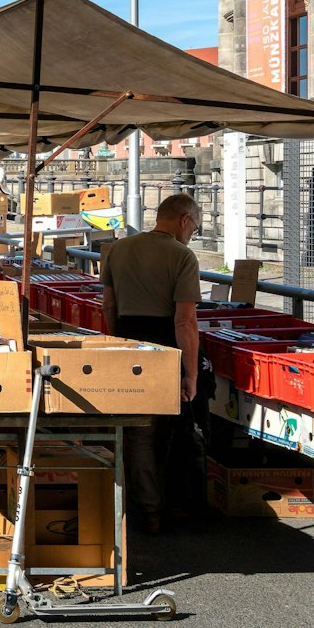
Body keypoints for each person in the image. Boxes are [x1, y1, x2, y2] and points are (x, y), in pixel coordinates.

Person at [99, 193, 203, 534]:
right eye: (195, 227)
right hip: (165, 346)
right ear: (184, 220)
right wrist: (191, 374)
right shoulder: (182, 256)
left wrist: (120, 342)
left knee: (138, 433)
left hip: (128, 341)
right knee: (173, 430)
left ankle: (146, 510)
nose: (193, 234)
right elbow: (185, 322)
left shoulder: (118, 249)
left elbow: (108, 307)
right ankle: (174, 507)